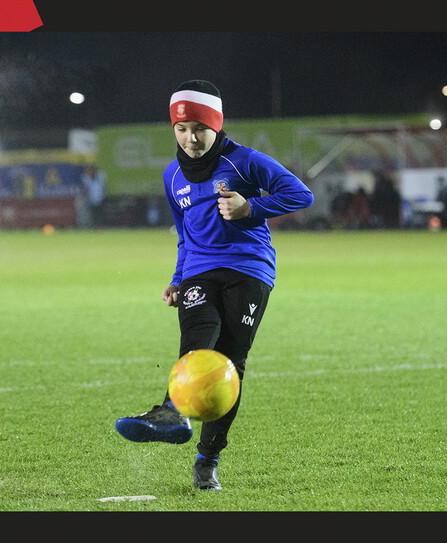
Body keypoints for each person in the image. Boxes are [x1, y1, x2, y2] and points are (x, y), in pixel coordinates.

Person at [114, 80, 314, 490]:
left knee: (228, 365)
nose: (190, 138)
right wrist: (176, 279)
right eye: (182, 129)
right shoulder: (172, 175)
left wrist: (251, 207)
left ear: (216, 126)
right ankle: (172, 411)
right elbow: (185, 235)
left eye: (199, 129)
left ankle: (207, 460)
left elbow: (301, 194)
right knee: (198, 336)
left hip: (249, 268)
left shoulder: (245, 161)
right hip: (200, 270)